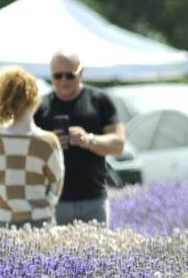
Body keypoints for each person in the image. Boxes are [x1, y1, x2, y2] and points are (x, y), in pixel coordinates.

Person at [34, 50, 125, 225]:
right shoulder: (40, 107)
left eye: (69, 75)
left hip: (94, 199)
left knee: (99, 252)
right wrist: (50, 142)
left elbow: (118, 143)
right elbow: (26, 150)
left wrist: (88, 140)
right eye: (57, 76)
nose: (63, 81)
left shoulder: (100, 101)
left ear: (81, 72)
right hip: (54, 201)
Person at [0, 66, 64, 228]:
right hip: (39, 221)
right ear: (34, 98)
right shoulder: (48, 142)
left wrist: (4, 204)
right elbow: (56, 185)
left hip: (3, 221)